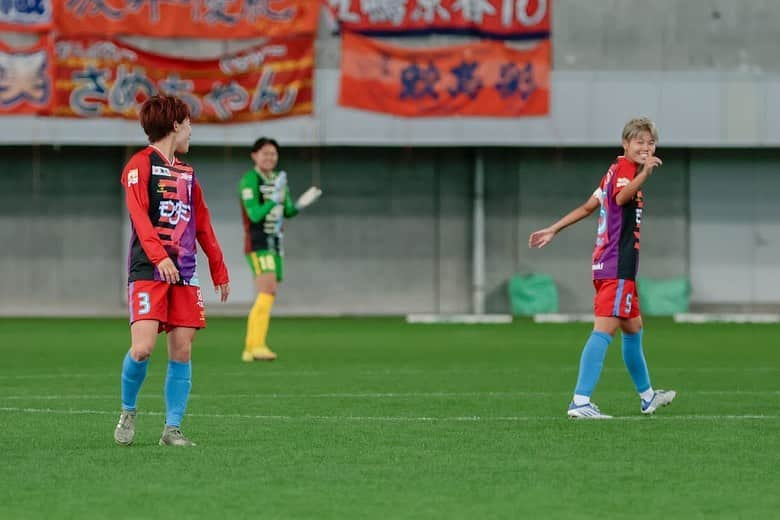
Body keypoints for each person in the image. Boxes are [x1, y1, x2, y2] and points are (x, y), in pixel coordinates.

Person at [528, 117, 676, 419]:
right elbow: (622, 198)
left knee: (633, 329)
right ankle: (580, 401)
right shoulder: (625, 172)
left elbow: (587, 207)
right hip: (616, 266)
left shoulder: (612, 172)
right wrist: (645, 174)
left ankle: (648, 397)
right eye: (640, 142)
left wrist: (553, 229)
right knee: (604, 331)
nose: (646, 148)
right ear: (626, 144)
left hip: (611, 265)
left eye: (651, 143)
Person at [113, 95, 230, 446]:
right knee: (143, 348)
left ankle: (172, 428)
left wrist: (219, 269)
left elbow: (203, 224)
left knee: (182, 350)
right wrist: (158, 256)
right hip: (149, 270)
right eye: (189, 123)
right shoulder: (139, 164)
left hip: (185, 272)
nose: (192, 130)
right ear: (175, 125)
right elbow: (138, 214)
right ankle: (128, 410)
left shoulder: (187, 174)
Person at [239, 137, 321, 362]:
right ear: (254, 156)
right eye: (265, 153)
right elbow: (255, 214)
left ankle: (250, 347)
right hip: (257, 243)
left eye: (273, 154)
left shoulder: (278, 179)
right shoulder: (249, 180)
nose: (269, 158)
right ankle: (257, 345)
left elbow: (288, 211)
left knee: (269, 292)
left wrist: (301, 204)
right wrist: (272, 200)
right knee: (267, 290)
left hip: (276, 243)